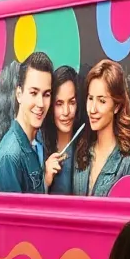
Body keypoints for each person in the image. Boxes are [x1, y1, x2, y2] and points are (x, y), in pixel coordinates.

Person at [73, 59, 130, 197]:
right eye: (90, 98)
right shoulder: (82, 151)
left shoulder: (127, 161)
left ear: (116, 106)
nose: (92, 109)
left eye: (102, 101)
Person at [0, 52, 52, 194]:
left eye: (46, 94)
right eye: (33, 93)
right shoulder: (10, 156)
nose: (41, 103)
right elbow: (14, 215)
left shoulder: (37, 142)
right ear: (19, 94)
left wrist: (45, 180)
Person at [42, 66, 82, 195]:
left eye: (72, 102)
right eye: (59, 103)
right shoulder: (38, 145)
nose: (66, 112)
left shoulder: (86, 145)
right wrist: (45, 180)